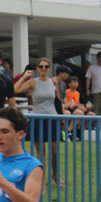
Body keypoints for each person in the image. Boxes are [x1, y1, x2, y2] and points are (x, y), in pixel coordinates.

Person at [26, 58, 63, 187]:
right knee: (41, 152)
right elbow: (15, 89)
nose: (43, 68)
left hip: (52, 118)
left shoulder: (53, 82)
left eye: (46, 66)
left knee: (54, 151)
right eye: (41, 66)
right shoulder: (33, 82)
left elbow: (57, 100)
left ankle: (55, 175)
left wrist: (61, 116)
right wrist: (24, 77)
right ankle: (41, 181)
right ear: (37, 68)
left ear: (49, 68)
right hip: (38, 118)